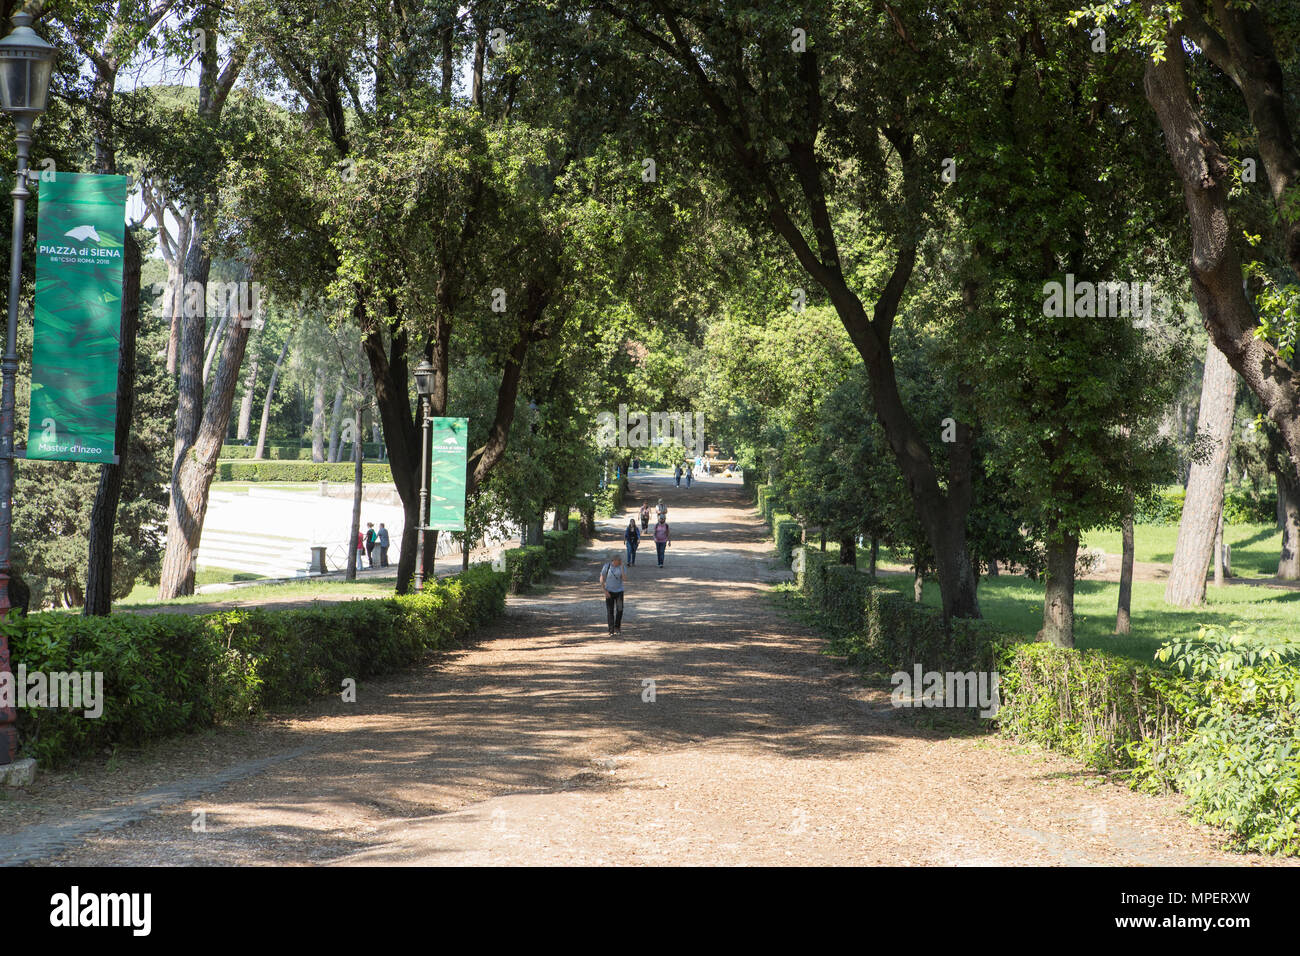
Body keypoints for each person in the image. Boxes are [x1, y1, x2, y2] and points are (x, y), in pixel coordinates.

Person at [600, 552, 627, 637]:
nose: (620, 561)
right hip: (609, 591)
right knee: (610, 611)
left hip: (619, 591)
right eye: (619, 560)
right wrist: (605, 591)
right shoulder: (607, 566)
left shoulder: (622, 567)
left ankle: (617, 627)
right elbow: (602, 578)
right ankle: (611, 630)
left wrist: (622, 567)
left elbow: (624, 579)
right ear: (614, 560)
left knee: (620, 610)